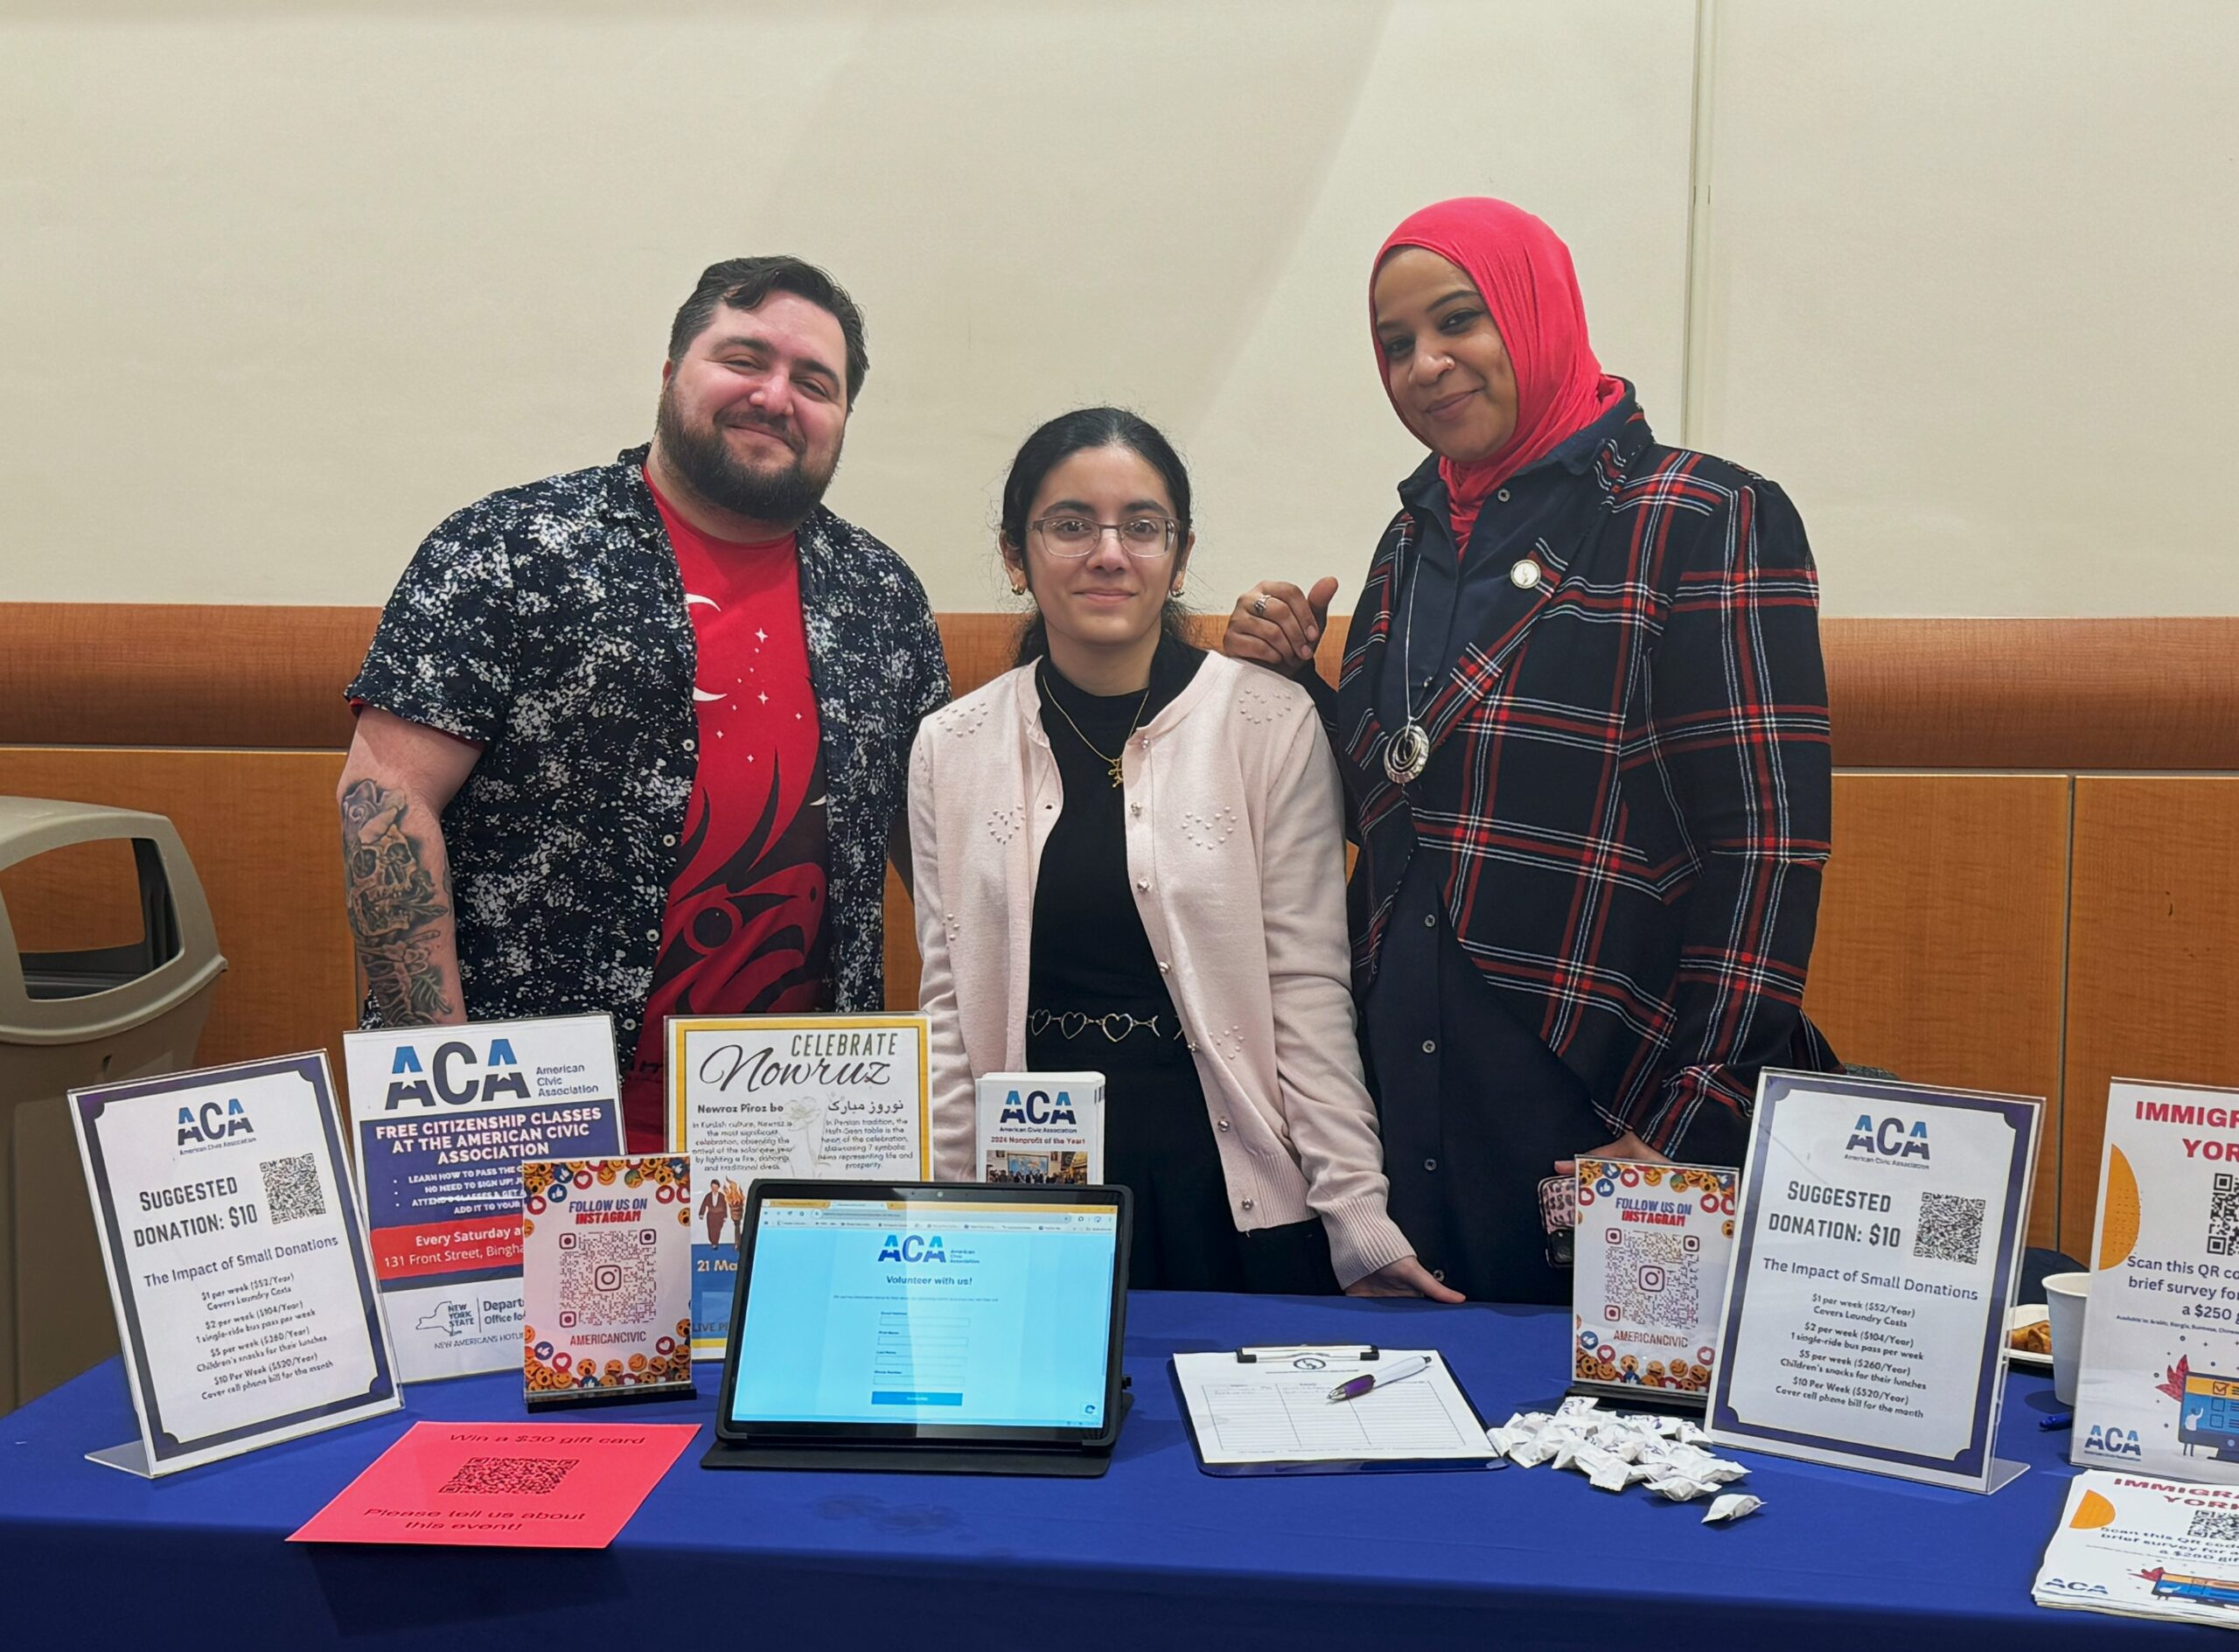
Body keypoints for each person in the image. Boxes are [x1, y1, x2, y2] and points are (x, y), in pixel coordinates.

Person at [1223, 199, 1840, 1304]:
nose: (1426, 363)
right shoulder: (1409, 537)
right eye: (1394, 343)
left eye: (1459, 320)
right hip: (1407, 1100)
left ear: (1535, 311)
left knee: (1601, 1444)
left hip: (1603, 1099)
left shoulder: (1702, 514)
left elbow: (1766, 852)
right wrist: (1293, 690)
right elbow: (1401, 795)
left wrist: (1689, 1126)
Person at [340, 256, 948, 1149]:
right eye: (743, 360)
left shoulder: (882, 596)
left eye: (815, 382)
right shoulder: (512, 550)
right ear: (670, 375)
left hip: (800, 1128)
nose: (775, 396)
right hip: (533, 1121)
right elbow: (385, 801)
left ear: (843, 419)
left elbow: (937, 852)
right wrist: (444, 1089)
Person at [910, 407, 1457, 1299]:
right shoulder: (951, 743)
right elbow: (946, 1009)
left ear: (1180, 551)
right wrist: (941, 1212)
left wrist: (1358, 1211)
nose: (1109, 552)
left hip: (1225, 1180)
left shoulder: (1265, 722)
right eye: (1070, 524)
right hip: (1028, 1187)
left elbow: (1306, 988)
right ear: (1016, 554)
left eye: (1141, 525)